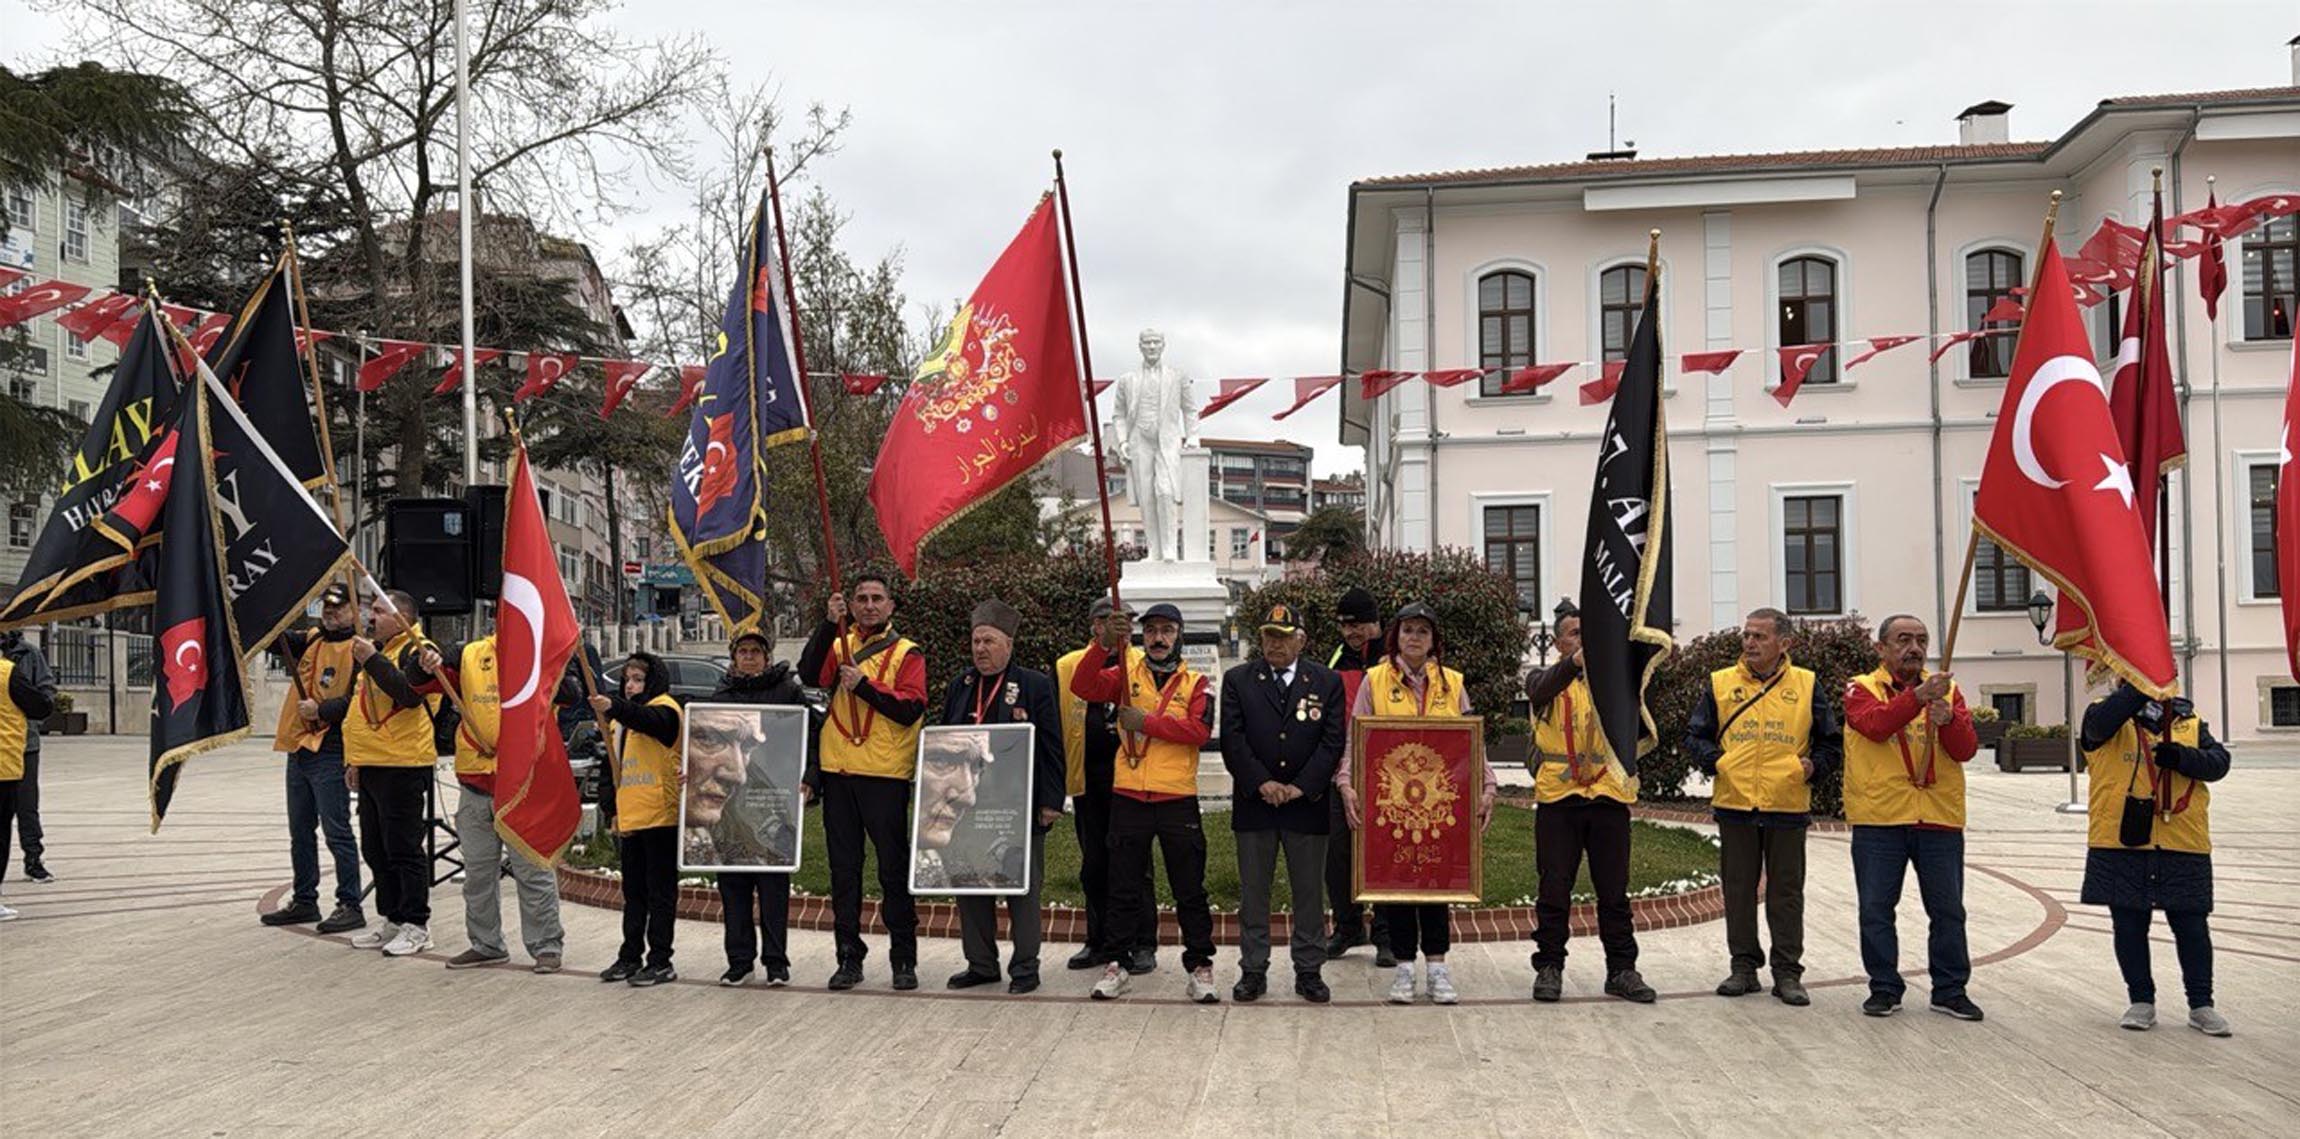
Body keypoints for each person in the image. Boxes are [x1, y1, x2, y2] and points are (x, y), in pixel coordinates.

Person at [1683, 607, 1842, 1006]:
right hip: (1735, 802)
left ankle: (1787, 972)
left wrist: (1813, 767)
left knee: (1786, 893)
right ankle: (1743, 967)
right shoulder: (1720, 683)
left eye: (1760, 636)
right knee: (1737, 889)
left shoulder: (1806, 684)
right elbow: (1695, 735)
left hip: (1786, 803)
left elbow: (1831, 741)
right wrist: (1716, 762)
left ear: (1784, 643)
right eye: (1747, 635)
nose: (1750, 643)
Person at [1339, 602, 1495, 1005]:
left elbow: (1472, 744)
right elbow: (1355, 740)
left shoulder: (1452, 683)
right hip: (1391, 800)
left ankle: (1438, 967)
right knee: (1400, 883)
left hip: (1441, 800)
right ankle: (1405, 968)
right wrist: (1346, 782)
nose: (1414, 638)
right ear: (1395, 636)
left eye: (1422, 632)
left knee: (1438, 883)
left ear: (1433, 641)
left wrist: (1488, 786)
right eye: (1407, 630)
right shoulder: (1375, 681)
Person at [1071, 602, 1218, 1003]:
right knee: (1123, 887)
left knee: (1189, 888)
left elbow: (1199, 731)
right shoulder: (1125, 673)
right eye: (1151, 630)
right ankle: (1117, 963)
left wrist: (1147, 723)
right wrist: (1103, 644)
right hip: (1130, 794)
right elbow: (1082, 686)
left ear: (1179, 636)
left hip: (1176, 797)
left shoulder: (1197, 682)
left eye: (1167, 630)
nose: (1158, 638)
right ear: (1141, 636)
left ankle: (1200, 965)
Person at [1842, 614, 1983, 1021]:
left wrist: (1950, 720)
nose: (1914, 648)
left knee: (1948, 910)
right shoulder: (1861, 687)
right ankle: (1884, 987)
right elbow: (1873, 725)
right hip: (1880, 817)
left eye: (1921, 640)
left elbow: (1965, 750)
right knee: (1876, 908)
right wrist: (1918, 698)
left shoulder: (1948, 690)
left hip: (1938, 816)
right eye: (1903, 640)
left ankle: (1950, 989)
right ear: (1881, 648)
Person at [2079, 681, 2234, 1037]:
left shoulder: (2188, 719)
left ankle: (2201, 1004)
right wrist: (2139, 683)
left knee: (2192, 926)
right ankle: (2141, 1000)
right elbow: (2097, 730)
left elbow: (2219, 763)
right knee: (2130, 925)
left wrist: (2182, 757)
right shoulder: (2105, 715)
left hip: (2182, 839)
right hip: (2122, 840)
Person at [798, 573, 929, 992]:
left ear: (891, 606)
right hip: (840, 773)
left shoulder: (908, 652)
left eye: (877, 598)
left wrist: (865, 686)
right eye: (861, 599)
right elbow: (809, 675)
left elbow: (911, 709)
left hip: (885, 775)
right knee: (844, 873)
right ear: (849, 605)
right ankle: (848, 958)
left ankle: (903, 959)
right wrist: (825, 623)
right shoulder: (839, 643)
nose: (869, 605)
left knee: (892, 871)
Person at [1521, 599, 1653, 1004]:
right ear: (1559, 643)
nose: (1584, 641)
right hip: (1560, 798)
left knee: (1614, 890)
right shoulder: (1544, 679)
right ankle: (1549, 965)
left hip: (1608, 794)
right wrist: (1576, 663)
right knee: (1554, 887)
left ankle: (1622, 969)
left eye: (1589, 634)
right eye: (1575, 634)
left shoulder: (1616, 678)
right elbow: (1541, 690)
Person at [419, 622, 568, 974]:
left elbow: (572, 692)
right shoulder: (471, 654)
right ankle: (486, 944)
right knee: (478, 875)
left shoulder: (540, 653)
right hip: (475, 783)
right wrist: (424, 659)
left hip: (521, 785)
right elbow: (421, 681)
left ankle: (546, 945)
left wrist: (552, 665)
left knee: (532, 870)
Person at [1221, 604, 1345, 1003]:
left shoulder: (1326, 682)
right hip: (1255, 803)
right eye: (1269, 636)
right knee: (1254, 893)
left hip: (1306, 805)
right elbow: (1233, 740)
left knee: (1309, 892)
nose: (1275, 644)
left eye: (1283, 636)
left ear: (1300, 640)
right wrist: (1262, 782)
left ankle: (1309, 969)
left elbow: (1332, 742)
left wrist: (1300, 787)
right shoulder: (1239, 680)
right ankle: (1253, 970)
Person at [940, 600, 1065, 995]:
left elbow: (1051, 746)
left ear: (1008, 644)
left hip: (1018, 805)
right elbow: (943, 745)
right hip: (968, 808)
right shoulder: (959, 687)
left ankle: (1025, 966)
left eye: (989, 641)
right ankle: (981, 963)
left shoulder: (1034, 684)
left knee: (1022, 888)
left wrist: (1050, 801)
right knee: (970, 884)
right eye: (976, 641)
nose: (980, 649)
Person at [323, 589, 440, 958]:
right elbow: (361, 710)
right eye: (371, 611)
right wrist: (354, 759)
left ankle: (417, 924)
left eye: (378, 612)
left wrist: (371, 659)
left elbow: (408, 694)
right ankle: (392, 917)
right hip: (372, 762)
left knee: (404, 848)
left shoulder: (418, 650)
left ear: (402, 616)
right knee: (375, 847)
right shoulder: (376, 651)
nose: (370, 618)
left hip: (403, 763)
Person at [699, 627, 817, 988]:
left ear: (767, 656)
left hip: (773, 801)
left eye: (756, 652)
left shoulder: (787, 692)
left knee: (773, 886)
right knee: (732, 885)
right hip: (731, 806)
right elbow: (701, 740)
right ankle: (739, 961)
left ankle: (776, 963)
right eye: (743, 652)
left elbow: (811, 735)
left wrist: (811, 775)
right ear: (734, 657)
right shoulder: (721, 696)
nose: (749, 657)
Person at [1054, 597, 1154, 973]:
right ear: (1095, 625)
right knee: (1094, 864)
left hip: (1131, 778)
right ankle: (1097, 939)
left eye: (1127, 621)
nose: (1120, 626)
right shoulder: (1068, 666)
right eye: (1110, 621)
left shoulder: (1142, 665)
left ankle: (1143, 942)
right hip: (1089, 779)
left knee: (1135, 865)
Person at [260, 583, 367, 934]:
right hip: (299, 746)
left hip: (331, 746)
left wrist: (322, 709)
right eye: (326, 606)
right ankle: (305, 899)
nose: (330, 612)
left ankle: (349, 903)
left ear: (355, 611)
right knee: (300, 831)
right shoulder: (312, 639)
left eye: (338, 607)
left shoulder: (360, 649)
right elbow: (273, 636)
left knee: (337, 831)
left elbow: (358, 700)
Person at [590, 651, 683, 987]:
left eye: (638, 679)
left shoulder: (666, 710)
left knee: (660, 893)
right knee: (634, 894)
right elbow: (610, 767)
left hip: (660, 816)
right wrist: (610, 808)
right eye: (627, 679)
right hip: (630, 816)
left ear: (653, 680)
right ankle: (630, 955)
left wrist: (614, 706)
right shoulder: (618, 722)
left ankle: (660, 959)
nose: (630, 686)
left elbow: (648, 720)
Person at [1322, 586, 1390, 966]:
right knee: (1338, 855)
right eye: (1345, 625)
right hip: (1341, 772)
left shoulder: (1391, 661)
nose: (1352, 632)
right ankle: (1348, 927)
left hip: (1386, 773)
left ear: (1376, 623)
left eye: (1359, 624)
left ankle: (1384, 932)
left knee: (1380, 852)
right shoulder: (1337, 659)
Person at [0, 628, 57, 921]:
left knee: (26, 806)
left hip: (26, 744)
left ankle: (33, 857)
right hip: (6, 750)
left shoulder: (29, 654)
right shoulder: (8, 669)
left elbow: (45, 694)